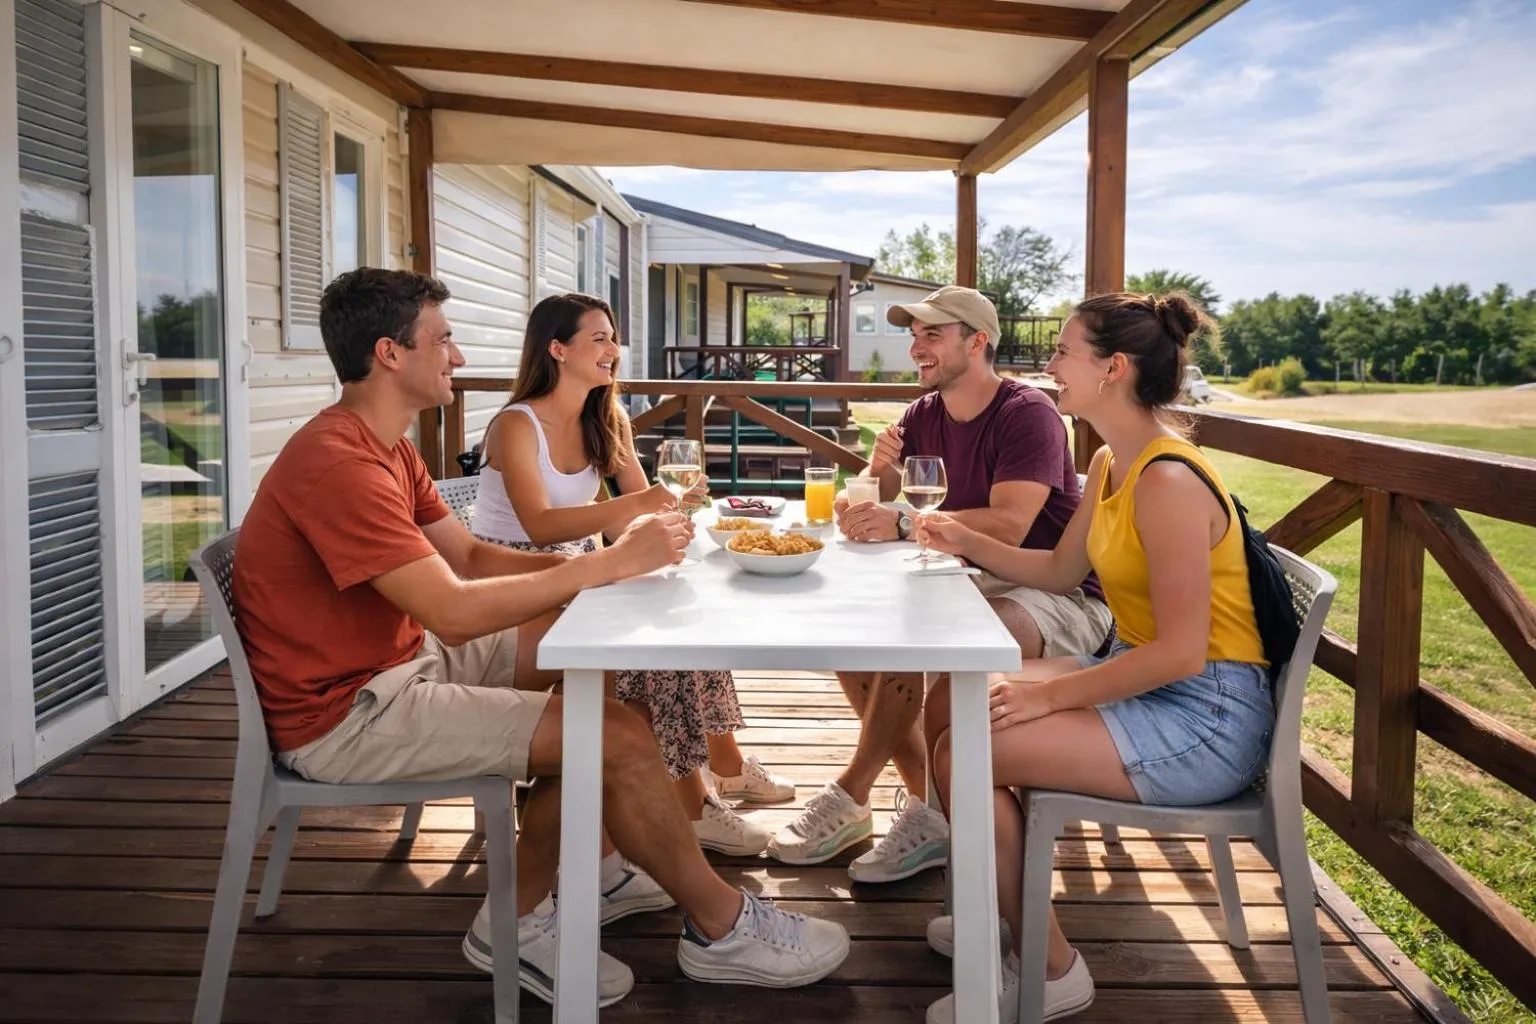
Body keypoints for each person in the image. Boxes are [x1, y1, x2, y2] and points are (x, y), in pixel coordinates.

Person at [232, 268, 848, 1009]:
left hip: (402, 659)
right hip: (350, 711)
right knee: (613, 737)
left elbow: (465, 556)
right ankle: (708, 928)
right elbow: (455, 610)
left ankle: (600, 861)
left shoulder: (385, 446)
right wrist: (611, 562)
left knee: (626, 674)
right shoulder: (339, 461)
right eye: (444, 340)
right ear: (390, 353)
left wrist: (600, 577)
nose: (456, 357)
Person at [918, 292, 1275, 1023]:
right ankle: (1003, 905)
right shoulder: (1113, 461)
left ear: (1112, 368)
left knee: (969, 749)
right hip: (1152, 682)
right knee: (952, 707)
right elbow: (1054, 570)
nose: (1048, 367)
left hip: (1206, 715)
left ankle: (1051, 970)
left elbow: (1180, 653)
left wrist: (1050, 696)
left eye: (1061, 352)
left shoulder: (1167, 481)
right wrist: (958, 535)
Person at [766, 286, 1112, 882]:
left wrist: (902, 519)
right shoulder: (923, 414)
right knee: (858, 637)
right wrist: (876, 471)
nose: (916, 347)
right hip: (969, 579)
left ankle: (857, 795)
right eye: (914, 334)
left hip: (1055, 593)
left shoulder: (1026, 412)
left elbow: (1010, 523)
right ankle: (935, 810)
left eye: (932, 334)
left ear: (976, 342)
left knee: (930, 632)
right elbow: (870, 505)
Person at [469, 292, 794, 858]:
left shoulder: (606, 414)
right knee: (649, 646)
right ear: (557, 349)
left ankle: (726, 766)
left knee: (683, 614)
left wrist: (671, 518)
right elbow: (540, 524)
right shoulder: (516, 425)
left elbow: (640, 511)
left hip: (585, 567)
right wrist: (638, 508)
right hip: (516, 579)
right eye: (599, 339)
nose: (613, 350)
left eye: (614, 338)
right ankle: (692, 806)